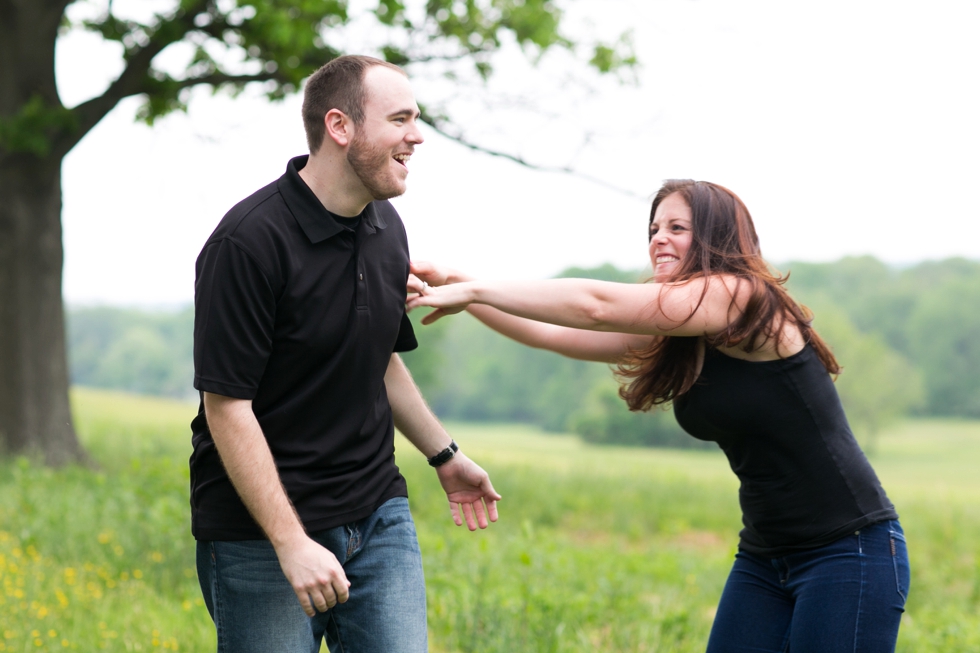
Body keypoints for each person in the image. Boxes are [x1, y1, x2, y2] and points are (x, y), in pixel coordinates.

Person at [407, 179, 909, 653]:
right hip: (764, 554)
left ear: (716, 237)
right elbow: (554, 334)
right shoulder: (680, 332)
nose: (658, 240)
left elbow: (598, 306)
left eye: (676, 228)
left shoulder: (740, 299)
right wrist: (457, 283)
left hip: (850, 551)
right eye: (653, 230)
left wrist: (473, 291)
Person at [189, 55, 501, 653]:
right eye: (401, 119)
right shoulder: (248, 243)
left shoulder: (387, 227)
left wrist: (445, 455)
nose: (417, 135)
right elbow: (227, 405)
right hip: (262, 537)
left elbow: (378, 359)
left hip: (377, 514)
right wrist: (290, 541)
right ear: (340, 127)